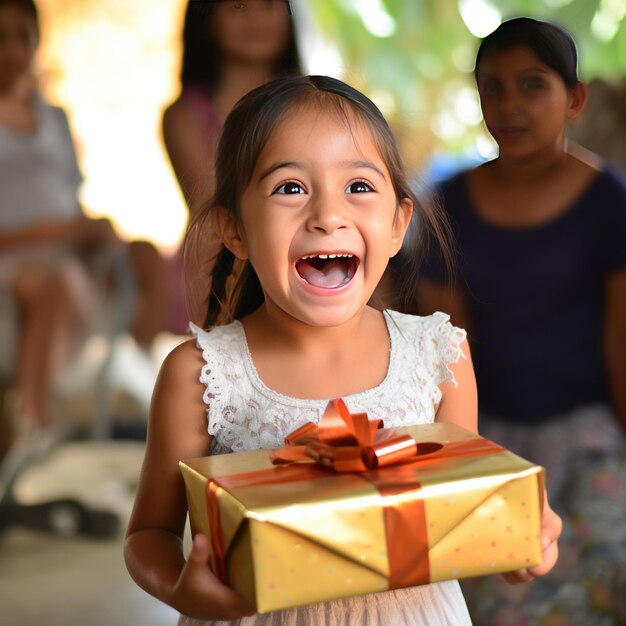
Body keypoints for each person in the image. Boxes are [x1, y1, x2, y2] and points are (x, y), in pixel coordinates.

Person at [124, 74, 562, 626]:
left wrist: (521, 537)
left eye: (358, 186)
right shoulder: (200, 373)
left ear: (400, 222)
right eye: (290, 188)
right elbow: (148, 535)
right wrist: (180, 588)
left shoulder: (440, 356)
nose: (327, 215)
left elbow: (458, 514)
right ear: (233, 229)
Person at [418, 17, 626, 625]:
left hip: (587, 430)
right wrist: (457, 457)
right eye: (493, 88)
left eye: (532, 85)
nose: (509, 105)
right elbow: (445, 348)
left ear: (575, 99)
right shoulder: (448, 204)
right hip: (487, 430)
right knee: (491, 581)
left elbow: (621, 341)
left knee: (607, 562)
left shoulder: (609, 202)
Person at [0, 0, 168, 432]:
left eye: (23, 36)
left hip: (70, 246)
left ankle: (144, 395)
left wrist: (95, 229)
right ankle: (34, 422)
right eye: (2, 36)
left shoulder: (52, 118)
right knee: (57, 280)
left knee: (147, 257)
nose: (14, 49)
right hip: (15, 255)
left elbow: (67, 198)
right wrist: (59, 231)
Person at [162, 0, 301, 331]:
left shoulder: (311, 108)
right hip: (216, 274)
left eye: (268, 5)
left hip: (301, 263)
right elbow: (213, 208)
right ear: (205, 19)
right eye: (238, 5)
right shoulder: (184, 116)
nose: (255, 18)